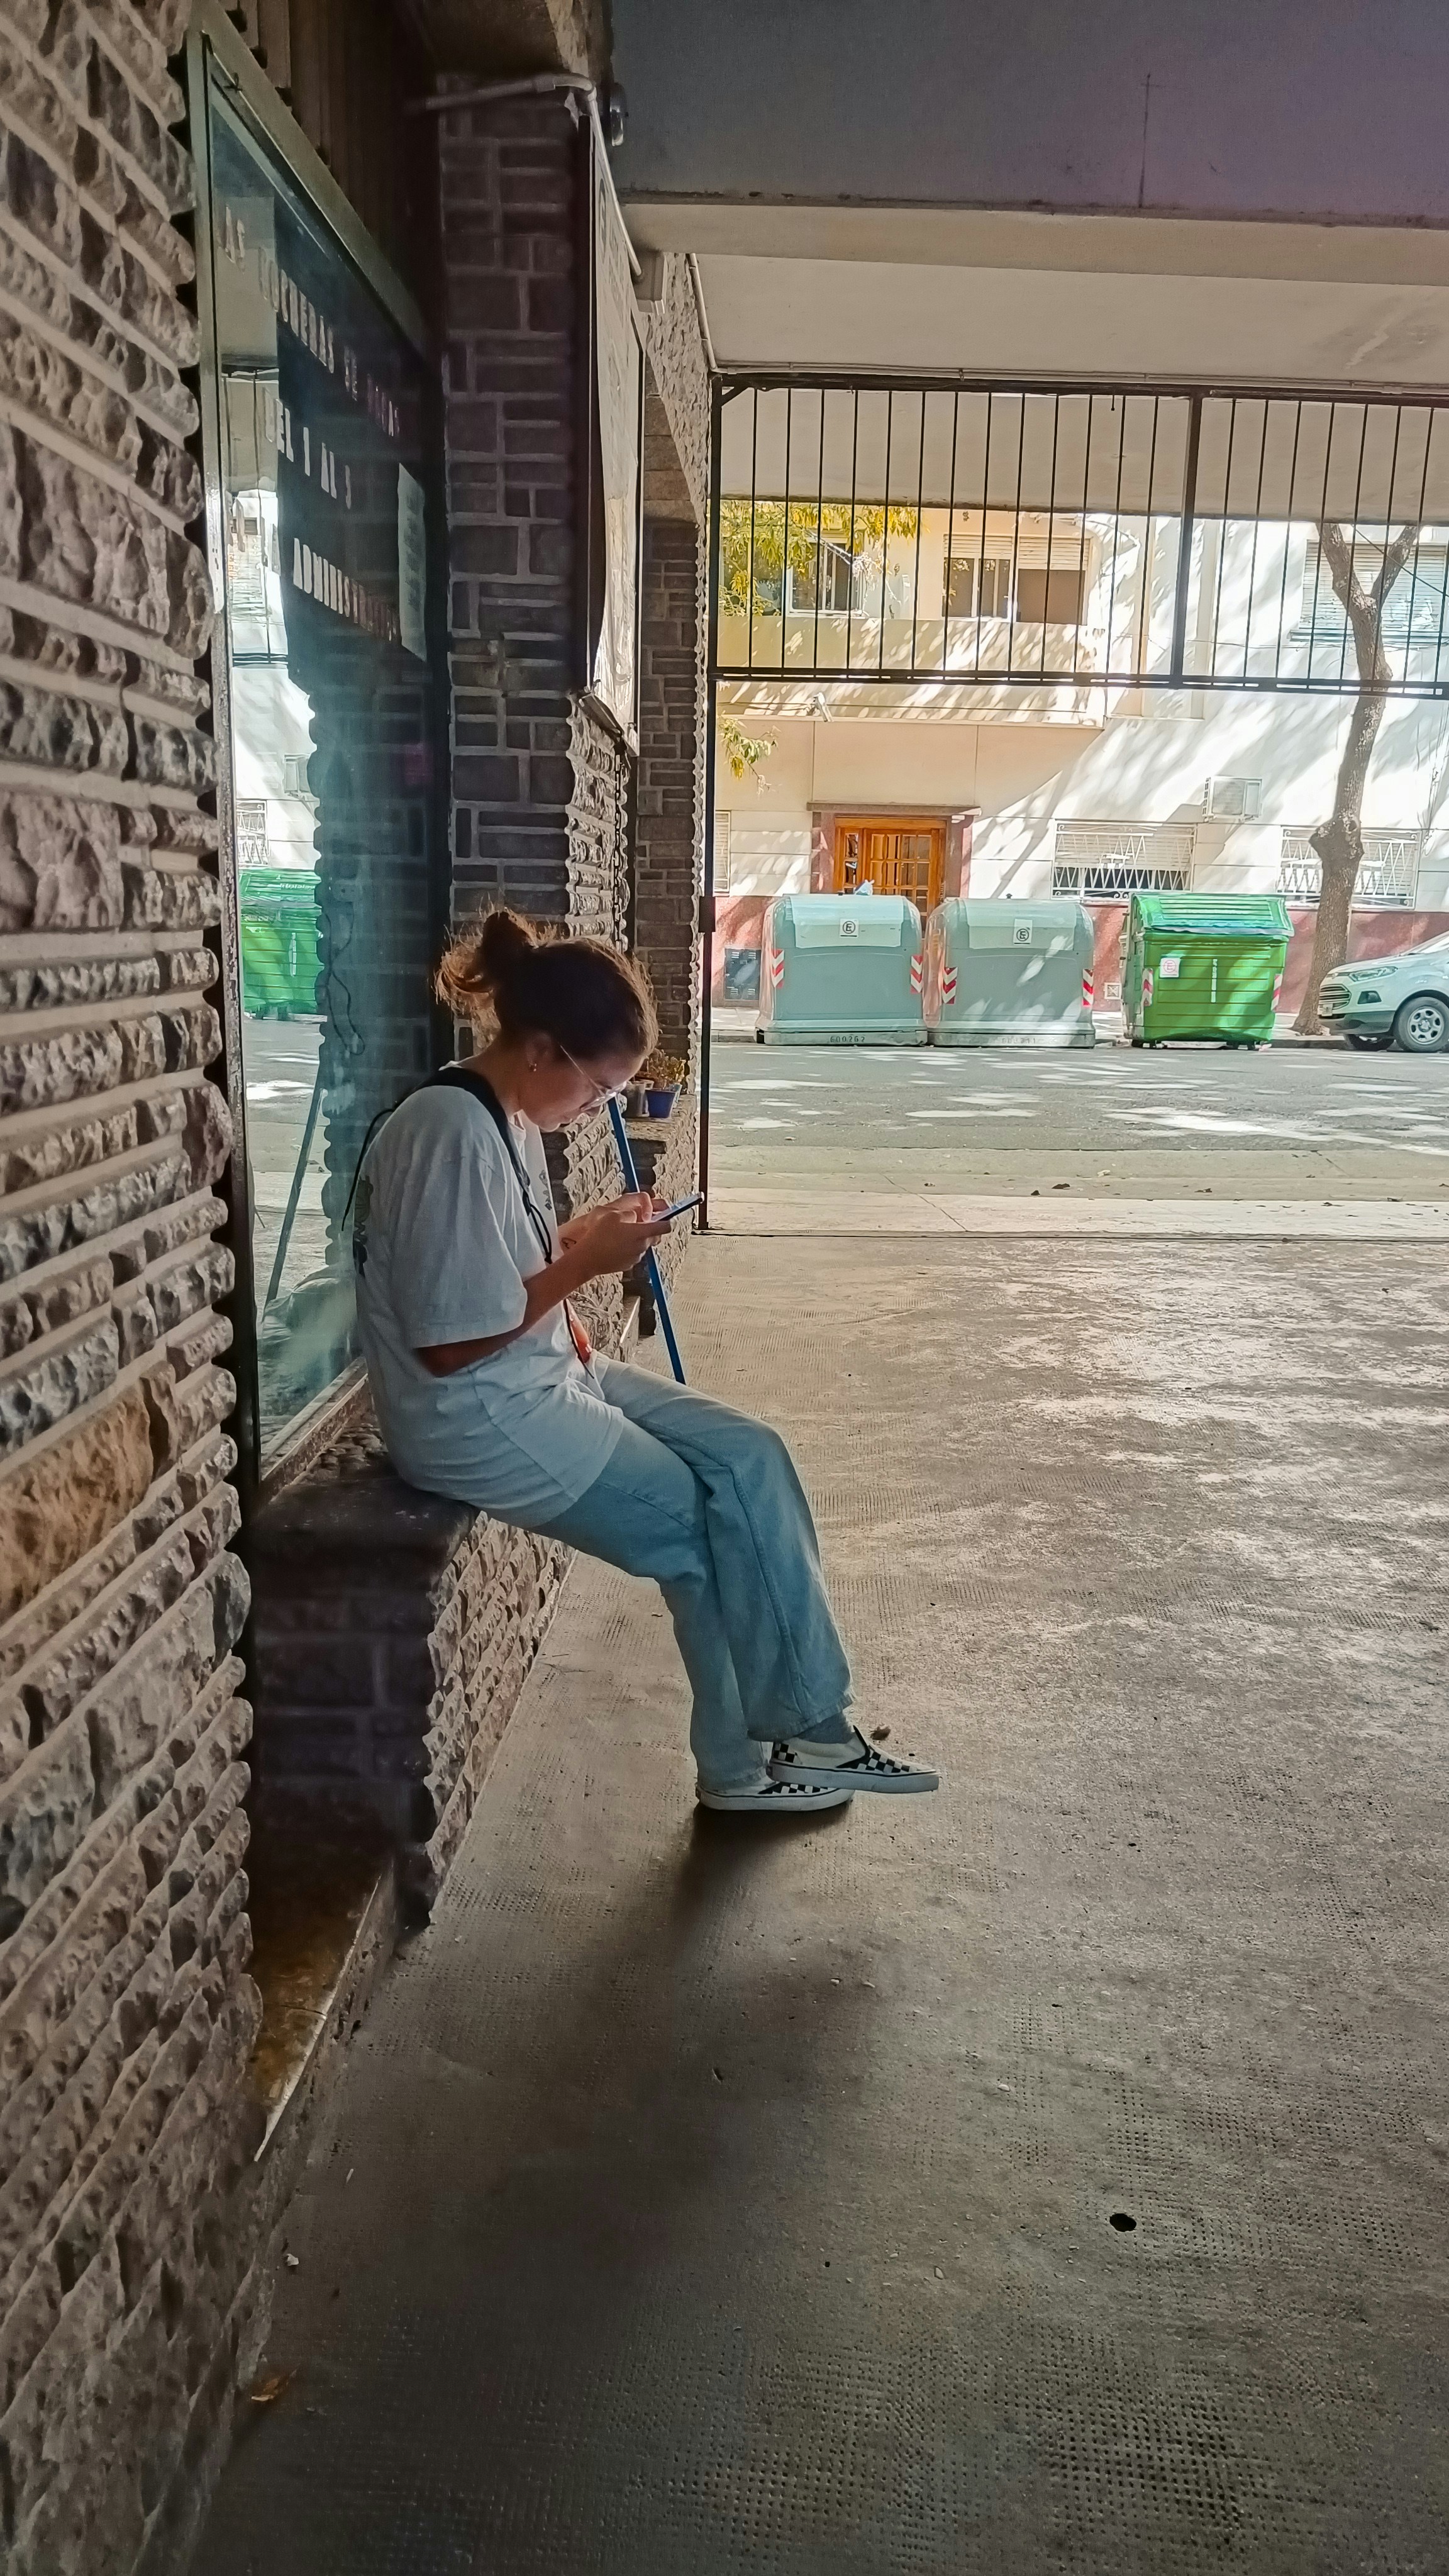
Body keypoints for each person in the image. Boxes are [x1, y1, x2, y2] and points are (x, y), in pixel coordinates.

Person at [352, 908, 939, 1815]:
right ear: (543, 1048)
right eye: (598, 1089)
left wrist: (580, 1240)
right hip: (484, 1415)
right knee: (703, 1537)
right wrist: (586, 1265)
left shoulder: (499, 1113)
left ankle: (808, 1728)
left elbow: (496, 1271)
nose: (596, 1109)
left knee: (749, 1454)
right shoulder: (449, 1132)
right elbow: (447, 1339)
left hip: (545, 1375)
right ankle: (754, 1766)